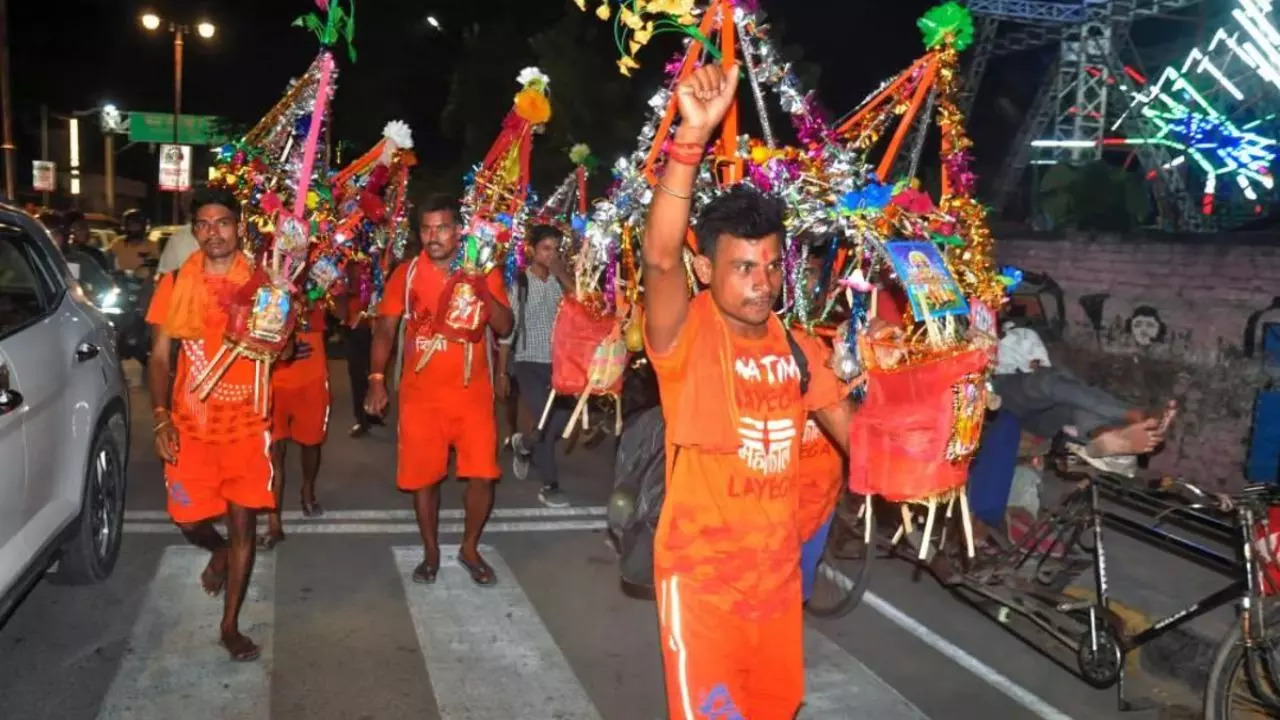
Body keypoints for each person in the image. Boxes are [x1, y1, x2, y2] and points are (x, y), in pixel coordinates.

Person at [642, 63, 853, 719]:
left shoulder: (798, 347)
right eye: (742, 266)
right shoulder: (685, 333)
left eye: (770, 264)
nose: (762, 282)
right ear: (705, 267)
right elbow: (657, 257)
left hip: (777, 587)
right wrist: (689, 141)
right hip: (702, 587)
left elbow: (858, 439)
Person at [145, 186, 280, 662]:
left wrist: (278, 332)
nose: (212, 233)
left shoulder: (265, 284)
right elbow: (160, 357)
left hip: (246, 424)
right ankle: (218, 551)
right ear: (194, 231)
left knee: (244, 525)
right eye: (202, 225)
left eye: (222, 222)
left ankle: (230, 626)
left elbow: (274, 350)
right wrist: (161, 416)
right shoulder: (177, 280)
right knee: (187, 520)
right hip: (191, 424)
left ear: (239, 227)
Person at [365, 194, 514, 586]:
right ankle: (430, 552)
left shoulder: (484, 271)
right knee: (424, 478)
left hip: (472, 394)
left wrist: (480, 287)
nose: (434, 236)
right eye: (427, 229)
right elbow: (385, 328)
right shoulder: (407, 273)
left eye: (442, 228)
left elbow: (504, 326)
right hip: (421, 397)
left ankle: (469, 548)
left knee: (482, 475)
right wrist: (377, 379)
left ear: (458, 231)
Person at [499, 224, 575, 508]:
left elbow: (584, 303)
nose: (551, 255)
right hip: (528, 361)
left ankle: (524, 445)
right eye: (546, 248)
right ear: (531, 249)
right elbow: (508, 331)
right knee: (544, 420)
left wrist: (562, 274)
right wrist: (502, 371)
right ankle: (550, 484)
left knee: (562, 421)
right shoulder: (520, 283)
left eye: (556, 249)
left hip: (559, 363)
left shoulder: (560, 282)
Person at [261, 303, 330, 548]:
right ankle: (273, 522)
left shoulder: (321, 271)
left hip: (311, 378)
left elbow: (343, 314)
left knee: (311, 443)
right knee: (274, 452)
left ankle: (307, 490)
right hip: (273, 379)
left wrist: (337, 289)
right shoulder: (263, 274)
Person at [110, 209, 157, 275]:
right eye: (130, 225)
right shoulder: (118, 243)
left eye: (136, 225)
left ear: (143, 226)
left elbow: (154, 268)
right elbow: (108, 261)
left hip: (143, 282)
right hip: (121, 281)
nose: (133, 228)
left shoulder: (151, 245)